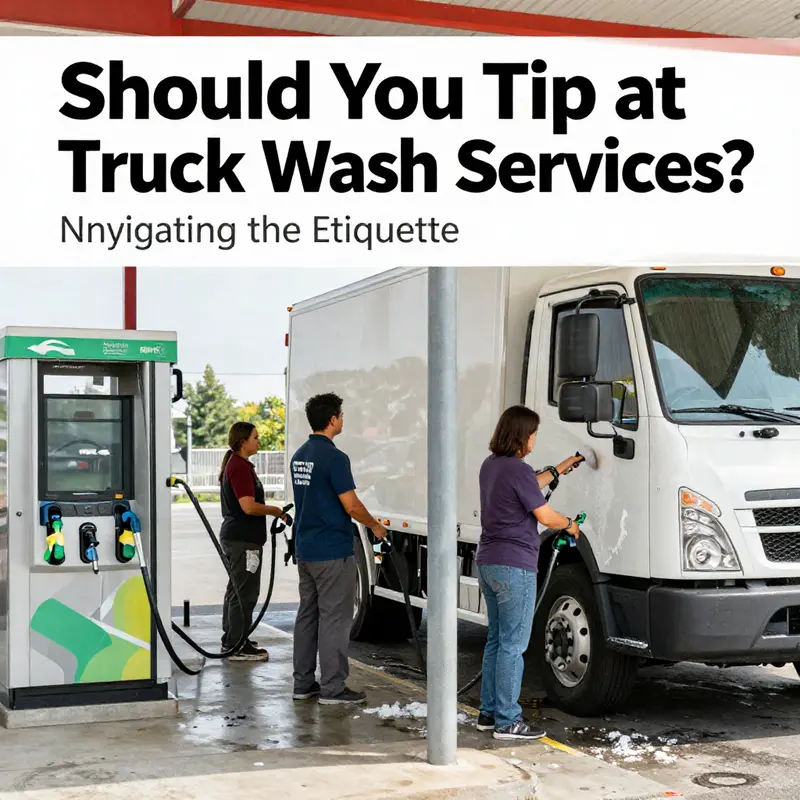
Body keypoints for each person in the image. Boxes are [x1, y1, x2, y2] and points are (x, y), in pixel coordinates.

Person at [475, 405, 583, 740]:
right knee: (513, 645)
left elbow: (528, 485)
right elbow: (545, 514)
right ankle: (509, 721)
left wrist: (561, 468)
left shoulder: (492, 466)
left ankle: (489, 714)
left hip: (488, 562)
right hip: (513, 566)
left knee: (497, 641)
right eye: (534, 433)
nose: (536, 438)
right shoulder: (518, 471)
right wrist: (569, 524)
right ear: (524, 436)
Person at [290, 392, 387, 705]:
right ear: (332, 420)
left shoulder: (300, 455)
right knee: (334, 619)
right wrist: (374, 525)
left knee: (307, 616)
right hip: (331, 550)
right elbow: (351, 505)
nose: (343, 419)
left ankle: (303, 684)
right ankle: (333, 688)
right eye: (341, 415)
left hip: (305, 548)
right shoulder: (335, 458)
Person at [219, 421, 291, 662]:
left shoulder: (238, 465)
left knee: (236, 590)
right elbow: (248, 507)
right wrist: (275, 510)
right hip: (243, 541)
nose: (259, 441)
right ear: (243, 442)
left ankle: (233, 638)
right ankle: (236, 645)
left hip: (238, 538)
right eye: (255, 437)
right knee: (245, 593)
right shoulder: (239, 467)